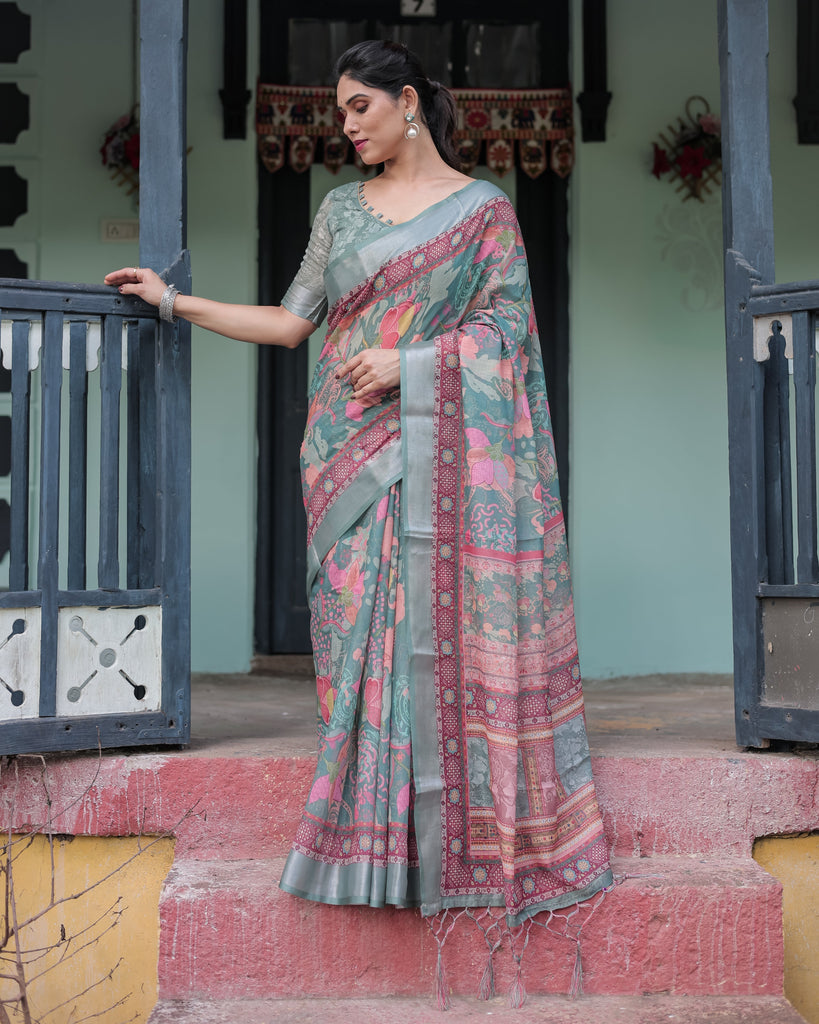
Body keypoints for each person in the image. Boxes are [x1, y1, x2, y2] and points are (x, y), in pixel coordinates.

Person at [105, 39, 612, 929]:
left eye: (357, 108)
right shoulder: (341, 211)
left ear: (406, 102)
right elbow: (291, 322)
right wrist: (173, 302)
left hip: (431, 448)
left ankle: (434, 845)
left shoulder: (484, 211)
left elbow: (509, 339)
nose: (344, 126)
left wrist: (411, 361)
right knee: (352, 642)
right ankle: (361, 845)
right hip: (343, 452)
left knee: (431, 637)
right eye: (339, 110)